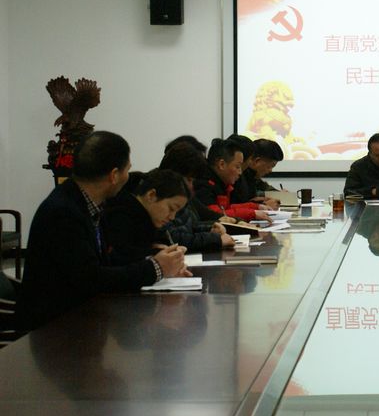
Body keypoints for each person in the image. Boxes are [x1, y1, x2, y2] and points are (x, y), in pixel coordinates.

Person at [17, 131, 189, 330]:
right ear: (114, 175)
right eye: (127, 170)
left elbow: (105, 263)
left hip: (80, 318)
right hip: (56, 329)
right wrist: (156, 268)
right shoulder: (63, 212)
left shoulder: (83, 203)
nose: (130, 177)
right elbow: (92, 279)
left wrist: (155, 259)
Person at [104, 169, 190, 266]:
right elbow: (122, 258)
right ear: (151, 195)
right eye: (171, 208)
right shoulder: (119, 216)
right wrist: (156, 254)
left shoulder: (150, 219)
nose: (172, 217)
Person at [159, 142, 235, 251]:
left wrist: (211, 228)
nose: (191, 186)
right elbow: (173, 238)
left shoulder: (183, 197)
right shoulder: (163, 197)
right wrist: (216, 239)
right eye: (189, 180)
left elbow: (189, 227)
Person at [193, 138, 272, 222]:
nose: (240, 172)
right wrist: (252, 213)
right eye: (237, 167)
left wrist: (256, 207)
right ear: (222, 164)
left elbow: (228, 208)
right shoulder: (203, 185)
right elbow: (217, 215)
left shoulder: (222, 182)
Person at [234, 138, 284, 209]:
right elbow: (237, 205)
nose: (270, 171)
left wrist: (278, 194)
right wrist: (262, 205)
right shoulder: (237, 177)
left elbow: (263, 187)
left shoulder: (252, 176)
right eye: (270, 166)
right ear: (257, 161)